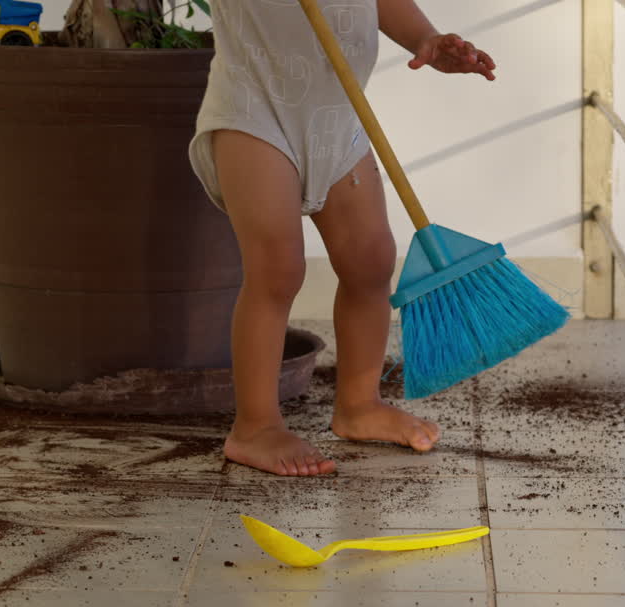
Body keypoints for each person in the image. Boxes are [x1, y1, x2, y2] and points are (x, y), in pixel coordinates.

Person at [189, 0, 496, 476]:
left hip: (338, 122)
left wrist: (425, 39)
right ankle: (255, 426)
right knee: (277, 271)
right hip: (255, 115)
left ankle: (359, 404)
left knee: (370, 260)